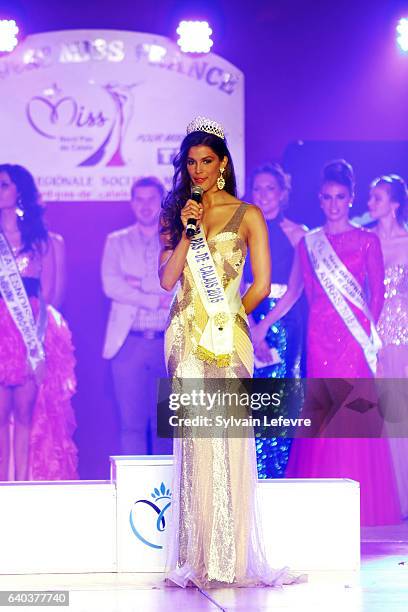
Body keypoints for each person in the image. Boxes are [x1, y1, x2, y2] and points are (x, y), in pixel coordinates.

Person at [159, 116, 305, 588]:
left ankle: (230, 556)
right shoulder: (180, 213)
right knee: (196, 443)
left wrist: (229, 319)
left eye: (206, 161)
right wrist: (187, 232)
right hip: (183, 336)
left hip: (227, 335)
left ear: (222, 163)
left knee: (230, 442)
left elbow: (261, 284)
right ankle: (198, 558)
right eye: (191, 162)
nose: (198, 169)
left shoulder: (249, 215)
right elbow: (166, 280)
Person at [263, 160, 400, 525]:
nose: (334, 204)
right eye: (327, 198)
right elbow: (293, 292)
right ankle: (320, 507)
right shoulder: (309, 244)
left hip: (354, 342)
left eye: (340, 197)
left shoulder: (367, 240)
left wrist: (371, 340)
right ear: (320, 200)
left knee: (353, 415)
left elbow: (377, 297)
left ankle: (360, 504)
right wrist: (262, 327)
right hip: (319, 340)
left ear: (351, 198)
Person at [0, 164, 78, 481]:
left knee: (26, 413)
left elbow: (52, 295)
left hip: (30, 333)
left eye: (4, 184)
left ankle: (20, 485)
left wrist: (39, 339)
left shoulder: (44, 241)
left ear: (20, 191)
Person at [102, 177, 173, 455]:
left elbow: (178, 284)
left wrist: (136, 283)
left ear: (162, 201)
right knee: (130, 425)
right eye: (139, 199)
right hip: (128, 342)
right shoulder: (116, 241)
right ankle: (132, 496)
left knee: (166, 426)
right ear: (131, 203)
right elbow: (111, 285)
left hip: (168, 342)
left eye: (152, 199)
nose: (145, 206)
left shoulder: (177, 239)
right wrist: (154, 296)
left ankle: (168, 496)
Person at [244, 163, 307, 478]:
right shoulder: (242, 231)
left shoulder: (297, 234)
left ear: (282, 194)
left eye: (270, 188)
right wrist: (251, 327)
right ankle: (255, 478)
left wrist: (265, 326)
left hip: (283, 320)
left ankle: (279, 476)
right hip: (248, 318)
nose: (263, 195)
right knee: (254, 400)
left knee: (281, 399)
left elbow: (296, 288)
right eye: (258, 189)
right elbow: (239, 285)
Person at [368, 174, 408, 518]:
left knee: (398, 414)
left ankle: (401, 495)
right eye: (370, 196)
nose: (370, 202)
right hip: (367, 333)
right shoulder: (364, 239)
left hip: (399, 335)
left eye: (378, 197)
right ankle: (381, 494)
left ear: (395, 203)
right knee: (371, 413)